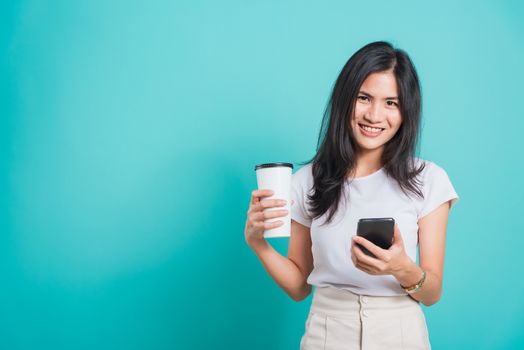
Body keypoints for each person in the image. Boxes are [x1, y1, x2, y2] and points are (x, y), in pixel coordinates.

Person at [244, 41, 459, 349]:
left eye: (391, 103)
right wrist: (257, 243)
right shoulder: (306, 180)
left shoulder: (429, 180)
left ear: (405, 112)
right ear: (345, 100)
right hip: (326, 333)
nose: (374, 115)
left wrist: (401, 267)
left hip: (401, 334)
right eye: (364, 98)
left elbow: (432, 292)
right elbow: (298, 286)